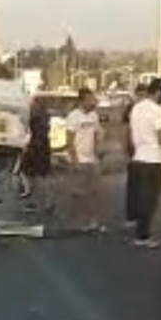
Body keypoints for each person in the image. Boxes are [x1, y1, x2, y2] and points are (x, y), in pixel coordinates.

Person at [129, 77, 161, 248]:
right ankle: (143, 235)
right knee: (151, 199)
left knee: (141, 197)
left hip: (139, 156)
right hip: (154, 158)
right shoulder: (156, 110)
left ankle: (140, 231)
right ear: (158, 92)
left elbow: (131, 133)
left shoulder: (136, 108)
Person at [66, 87, 103, 232]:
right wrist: (74, 160)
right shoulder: (73, 116)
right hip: (79, 159)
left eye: (93, 99)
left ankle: (93, 221)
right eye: (89, 100)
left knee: (94, 192)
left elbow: (97, 133)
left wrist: (98, 151)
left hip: (92, 159)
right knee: (78, 193)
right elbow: (69, 140)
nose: (92, 102)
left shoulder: (94, 116)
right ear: (82, 101)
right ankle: (76, 221)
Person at [19, 94, 53, 213]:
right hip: (42, 147)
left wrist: (29, 146)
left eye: (33, 103)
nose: (31, 105)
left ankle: (39, 200)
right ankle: (43, 201)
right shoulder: (44, 117)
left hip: (37, 148)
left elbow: (35, 133)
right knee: (37, 174)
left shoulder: (36, 118)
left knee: (35, 174)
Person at [123, 83, 148, 228]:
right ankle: (131, 215)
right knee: (133, 185)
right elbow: (126, 129)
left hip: (147, 152)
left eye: (144, 95)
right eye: (140, 95)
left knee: (145, 187)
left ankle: (143, 216)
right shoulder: (131, 109)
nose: (142, 98)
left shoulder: (150, 109)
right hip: (134, 151)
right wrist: (127, 149)